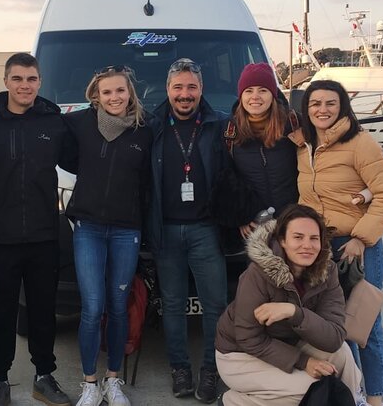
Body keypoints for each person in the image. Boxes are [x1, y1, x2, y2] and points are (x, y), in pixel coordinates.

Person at [289, 79, 383, 406]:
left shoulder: (360, 142)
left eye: (330, 104)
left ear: (342, 107)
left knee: (363, 323)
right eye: (315, 104)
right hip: (321, 248)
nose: (322, 110)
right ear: (306, 109)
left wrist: (362, 238)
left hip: (358, 245)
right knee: (335, 326)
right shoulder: (303, 146)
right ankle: (354, 394)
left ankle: (376, 399)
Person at [0, 53, 75, 406]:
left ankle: (44, 376)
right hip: (0, 235)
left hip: (44, 235)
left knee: (42, 311)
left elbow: (81, 158)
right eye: (17, 79)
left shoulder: (52, 122)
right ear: (6, 81)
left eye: (31, 79)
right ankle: (0, 380)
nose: (24, 85)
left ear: (39, 82)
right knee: (2, 312)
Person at [215, 204, 366, 406]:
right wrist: (304, 362)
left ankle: (354, 401)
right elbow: (248, 338)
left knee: (342, 355)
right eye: (298, 237)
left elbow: (334, 337)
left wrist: (295, 313)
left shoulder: (327, 272)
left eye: (314, 238)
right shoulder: (257, 274)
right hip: (239, 355)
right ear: (282, 241)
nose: (307, 245)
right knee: (311, 389)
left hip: (288, 343)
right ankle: (234, 401)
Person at [63, 65, 152, 406]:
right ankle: (90, 383)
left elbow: (148, 182)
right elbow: (47, 124)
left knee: (117, 307)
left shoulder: (145, 130)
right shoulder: (81, 124)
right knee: (92, 307)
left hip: (126, 229)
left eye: (120, 90)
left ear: (130, 93)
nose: (114, 97)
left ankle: (113, 381)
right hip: (89, 228)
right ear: (95, 96)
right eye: (107, 92)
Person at [147, 58, 229, 404]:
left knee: (216, 306)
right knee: (173, 305)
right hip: (165, 230)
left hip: (205, 230)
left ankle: (210, 370)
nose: (184, 94)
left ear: (201, 90)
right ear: (167, 90)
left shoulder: (219, 126)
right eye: (178, 87)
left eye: (191, 87)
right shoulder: (150, 126)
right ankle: (179, 368)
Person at [223, 62, 299, 239]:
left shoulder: (294, 124)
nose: (255, 97)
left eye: (263, 90)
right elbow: (227, 180)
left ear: (273, 95)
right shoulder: (229, 131)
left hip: (293, 222)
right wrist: (240, 216)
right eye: (248, 91)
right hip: (256, 227)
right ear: (241, 96)